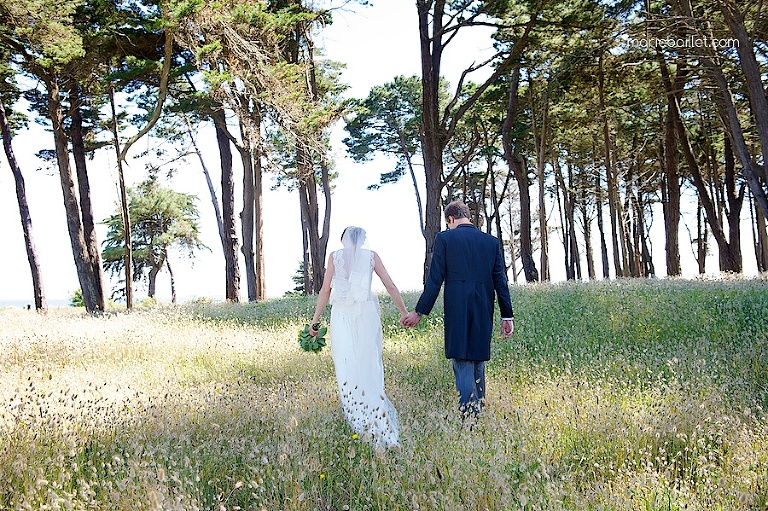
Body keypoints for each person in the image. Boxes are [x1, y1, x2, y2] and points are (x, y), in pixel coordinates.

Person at [402, 200, 514, 417]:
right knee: (478, 359)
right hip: (484, 305)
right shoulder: (491, 242)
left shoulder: (445, 238)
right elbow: (501, 280)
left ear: (450, 219)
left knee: (461, 359)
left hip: (457, 305)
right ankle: (478, 413)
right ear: (467, 216)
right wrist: (506, 315)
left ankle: (468, 416)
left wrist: (420, 311)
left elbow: (434, 280)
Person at [309, 226, 408, 448]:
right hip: (365, 313)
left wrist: (315, 321)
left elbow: (326, 290)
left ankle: (357, 415)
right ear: (362, 241)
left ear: (343, 240)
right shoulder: (371, 256)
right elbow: (390, 285)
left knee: (346, 363)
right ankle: (376, 415)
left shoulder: (335, 257)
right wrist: (404, 312)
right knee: (369, 363)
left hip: (341, 315)